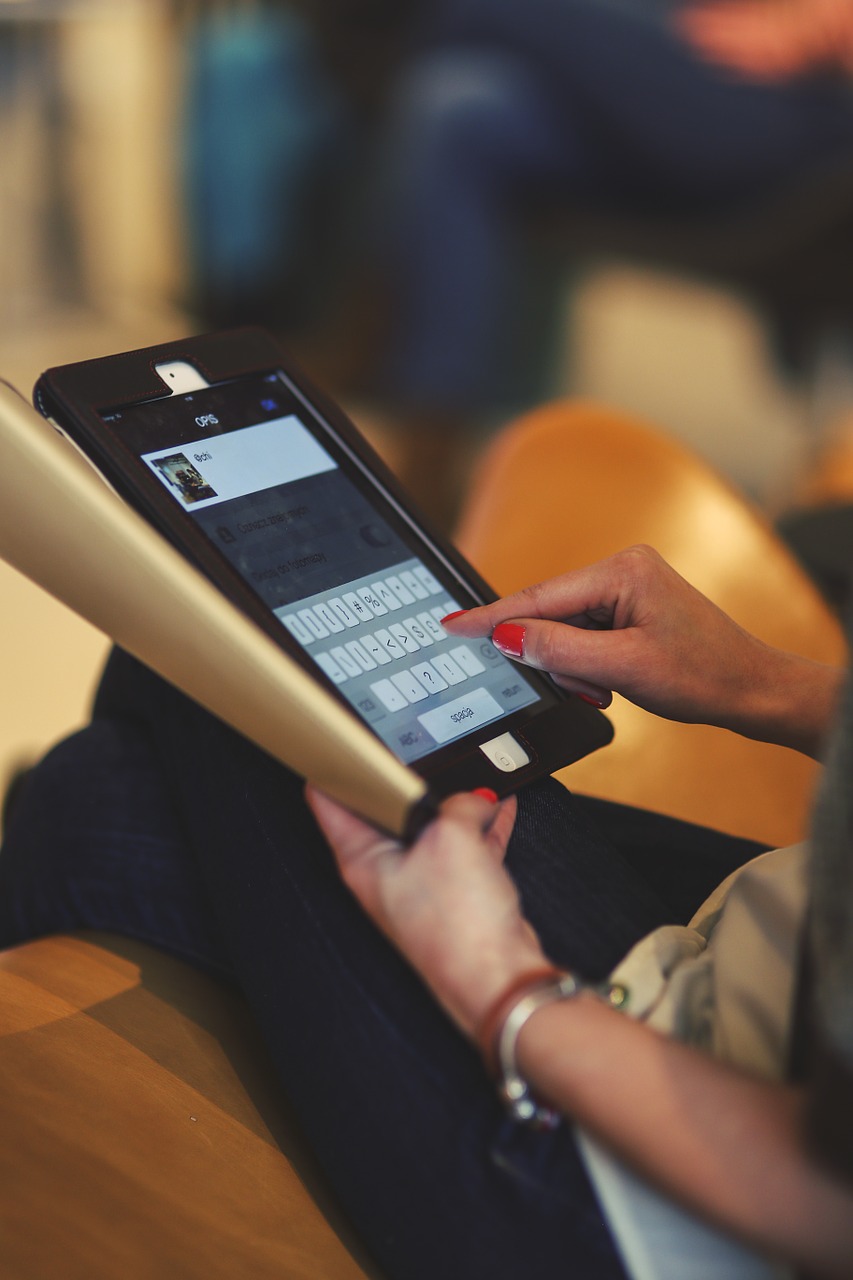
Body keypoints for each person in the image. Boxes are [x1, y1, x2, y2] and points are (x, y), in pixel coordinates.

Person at [1, 545, 851, 1277]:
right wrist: (768, 686)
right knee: (100, 788)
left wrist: (504, 991)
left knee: (184, 652)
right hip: (770, 942)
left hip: (681, 1203)